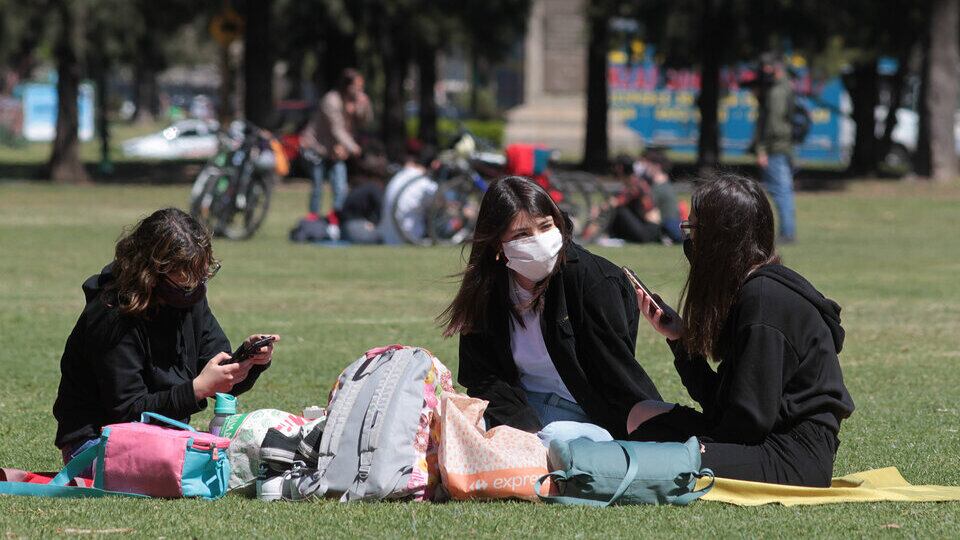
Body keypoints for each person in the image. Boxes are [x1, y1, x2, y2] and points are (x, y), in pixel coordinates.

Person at [627, 174, 854, 487]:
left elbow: (748, 423)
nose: (689, 241)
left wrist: (698, 446)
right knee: (642, 415)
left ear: (719, 239)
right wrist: (680, 341)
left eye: (693, 229)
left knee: (657, 455)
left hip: (792, 455)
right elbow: (726, 404)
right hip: (761, 437)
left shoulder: (762, 300)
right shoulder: (752, 291)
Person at [53, 208, 279, 468]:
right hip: (97, 443)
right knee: (209, 468)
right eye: (186, 280)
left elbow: (216, 371)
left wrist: (249, 361)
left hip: (163, 438)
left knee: (257, 455)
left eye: (201, 275)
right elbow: (127, 410)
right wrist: (197, 389)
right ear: (150, 273)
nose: (195, 287)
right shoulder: (111, 314)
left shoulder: (188, 297)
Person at [439, 176, 662, 439]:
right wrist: (521, 428)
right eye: (521, 234)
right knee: (449, 424)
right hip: (519, 407)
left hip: (585, 415)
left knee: (556, 437)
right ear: (498, 243)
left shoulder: (593, 281)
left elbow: (616, 376)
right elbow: (482, 376)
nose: (539, 241)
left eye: (545, 226)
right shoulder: (489, 287)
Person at [301, 68, 373, 224]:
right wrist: (353, 147)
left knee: (340, 186)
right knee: (318, 186)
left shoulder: (354, 101)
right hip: (317, 147)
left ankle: (337, 219)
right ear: (347, 86)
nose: (360, 90)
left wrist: (364, 106)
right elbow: (336, 129)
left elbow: (365, 122)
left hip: (337, 150)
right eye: (357, 86)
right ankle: (313, 221)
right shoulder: (331, 100)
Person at [751, 52, 797, 243]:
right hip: (784, 146)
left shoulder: (776, 91)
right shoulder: (786, 87)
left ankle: (787, 233)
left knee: (780, 191)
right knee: (784, 190)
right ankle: (788, 231)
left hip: (775, 148)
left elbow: (772, 125)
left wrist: (762, 149)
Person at [378, 143, 439, 245]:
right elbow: (443, 206)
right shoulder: (425, 183)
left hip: (387, 238)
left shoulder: (399, 176)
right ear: (435, 164)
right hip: (408, 239)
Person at [638, 148, 683, 244]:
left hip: (668, 225)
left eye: (648, 165)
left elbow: (648, 208)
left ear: (657, 166)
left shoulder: (659, 187)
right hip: (672, 224)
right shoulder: (665, 184)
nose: (646, 168)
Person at [338, 179, 384, 244]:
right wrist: (375, 222)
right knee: (380, 238)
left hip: (344, 228)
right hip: (354, 226)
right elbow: (381, 206)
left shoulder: (362, 189)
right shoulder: (374, 189)